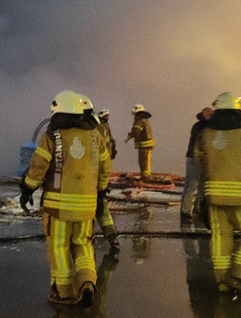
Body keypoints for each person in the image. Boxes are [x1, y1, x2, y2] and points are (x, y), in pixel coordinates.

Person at [22, 90, 111, 306]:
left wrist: (27, 189)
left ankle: (64, 292)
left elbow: (38, 166)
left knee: (59, 247)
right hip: (87, 207)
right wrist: (100, 192)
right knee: (83, 245)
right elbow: (105, 167)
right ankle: (87, 282)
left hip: (58, 208)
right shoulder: (96, 136)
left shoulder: (53, 135)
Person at [195, 92, 241, 300]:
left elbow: (199, 156)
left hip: (215, 196)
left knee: (220, 236)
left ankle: (223, 281)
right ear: (237, 111)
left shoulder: (206, 133)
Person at [81, 96, 119, 253]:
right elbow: (105, 163)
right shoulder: (97, 131)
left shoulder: (81, 134)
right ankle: (112, 237)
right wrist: (103, 187)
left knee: (88, 210)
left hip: (85, 180)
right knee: (102, 208)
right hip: (96, 177)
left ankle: (88, 237)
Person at [181, 107, 214, 223]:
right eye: (209, 115)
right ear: (204, 115)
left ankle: (198, 209)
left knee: (202, 185)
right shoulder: (199, 127)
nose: (211, 117)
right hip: (194, 159)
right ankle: (185, 211)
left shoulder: (207, 127)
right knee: (192, 184)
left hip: (203, 160)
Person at [124, 105, 155, 180]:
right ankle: (145, 175)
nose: (134, 116)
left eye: (134, 114)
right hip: (145, 145)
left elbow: (136, 131)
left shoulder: (140, 121)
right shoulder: (144, 120)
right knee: (144, 160)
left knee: (144, 161)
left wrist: (128, 137)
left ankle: (145, 177)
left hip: (145, 145)